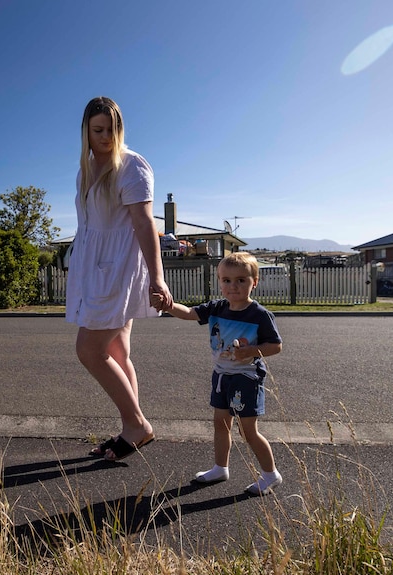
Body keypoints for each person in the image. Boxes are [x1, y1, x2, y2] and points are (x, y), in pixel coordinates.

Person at [65, 96, 172, 462]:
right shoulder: (85, 169)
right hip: (93, 267)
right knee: (116, 351)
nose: (106, 137)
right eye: (98, 130)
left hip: (118, 269)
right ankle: (132, 431)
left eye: (112, 129)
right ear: (86, 132)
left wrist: (157, 278)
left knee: (89, 350)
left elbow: (145, 224)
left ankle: (136, 424)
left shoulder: (131, 166)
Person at [151, 252, 283, 495]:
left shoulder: (260, 315)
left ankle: (270, 474)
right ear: (219, 282)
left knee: (247, 431)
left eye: (241, 280)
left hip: (247, 379)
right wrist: (168, 306)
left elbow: (275, 346)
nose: (233, 286)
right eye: (226, 280)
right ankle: (220, 468)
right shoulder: (217, 307)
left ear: (255, 282)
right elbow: (190, 313)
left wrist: (252, 351)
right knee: (220, 424)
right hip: (222, 376)